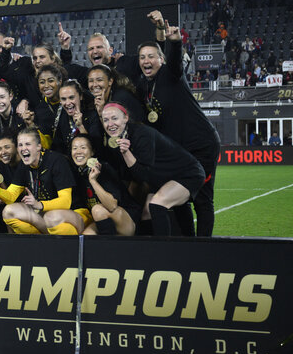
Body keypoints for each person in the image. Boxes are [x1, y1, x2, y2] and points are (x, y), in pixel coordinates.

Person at [135, 20, 219, 237]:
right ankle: (188, 243)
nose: (146, 61)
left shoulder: (170, 74)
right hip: (179, 151)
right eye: (142, 57)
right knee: (178, 199)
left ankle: (204, 248)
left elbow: (175, 63)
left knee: (202, 199)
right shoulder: (144, 84)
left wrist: (174, 42)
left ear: (161, 59)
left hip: (201, 145)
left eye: (151, 56)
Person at [100, 103, 205, 236]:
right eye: (106, 120)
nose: (110, 124)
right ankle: (149, 246)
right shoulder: (119, 139)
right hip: (164, 178)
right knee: (147, 213)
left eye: (114, 118)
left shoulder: (142, 134)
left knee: (157, 204)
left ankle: (164, 247)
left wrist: (126, 153)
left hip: (187, 173)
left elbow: (142, 176)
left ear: (125, 118)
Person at [0, 128, 86, 235]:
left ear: (38, 146)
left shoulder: (57, 160)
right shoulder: (24, 165)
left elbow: (66, 202)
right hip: (45, 214)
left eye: (27, 144)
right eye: (20, 145)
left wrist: (39, 204)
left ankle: (63, 242)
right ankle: (40, 241)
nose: (23, 148)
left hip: (73, 213)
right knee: (9, 211)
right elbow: (11, 197)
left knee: (51, 218)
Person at [70, 134, 139, 235]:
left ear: (92, 152)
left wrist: (93, 181)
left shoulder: (104, 169)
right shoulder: (78, 174)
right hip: (103, 221)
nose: (78, 152)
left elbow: (112, 206)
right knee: (87, 236)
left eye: (83, 147)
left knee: (97, 210)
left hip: (127, 221)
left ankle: (108, 244)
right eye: (74, 148)